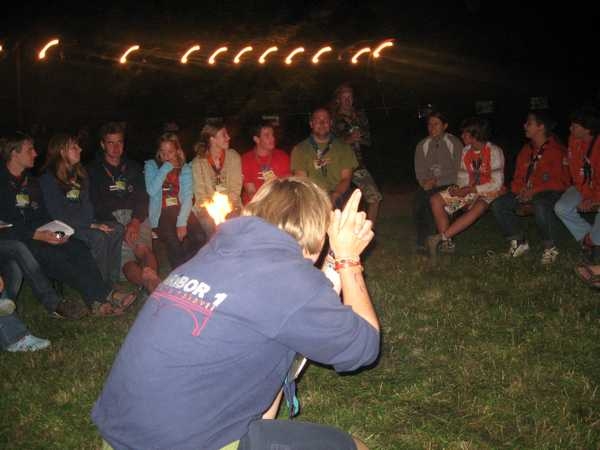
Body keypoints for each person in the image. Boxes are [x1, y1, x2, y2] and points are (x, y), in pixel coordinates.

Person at [92, 179, 379, 450]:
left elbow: (301, 309)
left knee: (274, 350)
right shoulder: (286, 279)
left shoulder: (215, 254)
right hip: (184, 444)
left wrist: (334, 259)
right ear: (317, 230)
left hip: (121, 436)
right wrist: (348, 259)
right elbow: (362, 347)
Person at [0, 132, 134, 316]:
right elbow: (7, 225)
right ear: (14, 153)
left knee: (78, 248)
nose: (35, 153)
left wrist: (56, 232)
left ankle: (101, 296)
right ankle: (101, 297)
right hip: (19, 238)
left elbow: (43, 215)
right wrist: (39, 235)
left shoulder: (30, 182)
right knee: (57, 258)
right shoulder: (5, 183)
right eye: (30, 150)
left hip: (42, 232)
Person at [40, 133, 125, 283]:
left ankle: (112, 279)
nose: (80, 149)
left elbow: (87, 205)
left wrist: (94, 222)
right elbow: (57, 215)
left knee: (116, 229)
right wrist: (91, 225)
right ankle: (100, 284)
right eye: (74, 147)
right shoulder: (49, 179)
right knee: (97, 236)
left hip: (84, 223)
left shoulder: (80, 174)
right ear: (62, 152)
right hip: (61, 228)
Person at [87, 122, 160, 293]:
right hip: (111, 219)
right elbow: (95, 203)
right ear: (102, 144)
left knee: (144, 250)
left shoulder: (134, 167)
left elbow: (142, 197)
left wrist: (135, 222)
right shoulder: (93, 171)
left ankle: (152, 286)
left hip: (136, 215)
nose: (115, 147)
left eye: (119, 142)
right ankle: (152, 286)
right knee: (127, 262)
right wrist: (120, 226)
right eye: (110, 143)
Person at [492, 110, 570, 264]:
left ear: (541, 127)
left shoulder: (557, 150)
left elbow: (561, 182)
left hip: (551, 192)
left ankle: (550, 247)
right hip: (528, 192)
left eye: (529, 123)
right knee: (499, 203)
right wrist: (518, 190)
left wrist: (534, 191)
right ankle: (519, 242)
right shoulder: (527, 150)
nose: (524, 126)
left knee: (540, 203)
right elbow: (519, 177)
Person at [428, 117, 505, 257]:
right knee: (436, 200)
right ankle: (447, 244)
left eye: (465, 133)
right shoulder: (466, 151)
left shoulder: (494, 151)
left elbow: (497, 183)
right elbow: (462, 178)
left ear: (475, 135)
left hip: (489, 192)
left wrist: (471, 191)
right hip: (469, 191)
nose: (462, 136)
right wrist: (458, 190)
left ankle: (441, 237)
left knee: (479, 206)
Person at [553, 106, 600, 287]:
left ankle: (592, 245)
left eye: (575, 126)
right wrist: (585, 194)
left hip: (597, 190)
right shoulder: (574, 140)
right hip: (582, 187)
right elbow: (575, 170)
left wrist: (594, 198)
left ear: (588, 129)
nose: (570, 128)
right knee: (561, 208)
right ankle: (589, 240)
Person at [145, 132, 206, 269]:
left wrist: (181, 223)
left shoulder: (185, 169)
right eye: (163, 152)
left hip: (180, 210)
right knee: (174, 242)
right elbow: (151, 190)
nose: (166, 156)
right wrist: (166, 167)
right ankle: (179, 272)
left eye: (170, 152)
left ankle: (189, 265)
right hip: (161, 212)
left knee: (200, 237)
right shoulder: (151, 165)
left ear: (177, 151)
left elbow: (187, 196)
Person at [332, 84, 383, 223]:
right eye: (344, 97)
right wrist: (348, 140)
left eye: (350, 97)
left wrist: (360, 138)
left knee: (375, 197)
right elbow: (330, 145)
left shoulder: (360, 116)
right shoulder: (332, 119)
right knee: (340, 199)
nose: (347, 100)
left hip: (358, 165)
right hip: (338, 167)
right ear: (338, 100)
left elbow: (368, 140)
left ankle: (369, 230)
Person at [413, 111, 462, 253]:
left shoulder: (453, 143)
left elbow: (460, 170)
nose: (432, 127)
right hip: (429, 185)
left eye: (436, 124)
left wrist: (437, 181)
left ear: (445, 126)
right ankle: (423, 241)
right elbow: (419, 170)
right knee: (420, 200)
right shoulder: (423, 145)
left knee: (434, 200)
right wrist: (424, 183)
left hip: (450, 184)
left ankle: (441, 239)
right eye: (429, 124)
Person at [291, 108, 358, 209]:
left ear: (331, 123)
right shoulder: (300, 149)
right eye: (318, 120)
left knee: (348, 202)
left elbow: (346, 178)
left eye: (325, 120)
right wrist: (318, 200)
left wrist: (335, 196)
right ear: (311, 124)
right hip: (313, 196)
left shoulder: (344, 147)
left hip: (338, 193)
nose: (322, 123)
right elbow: (302, 181)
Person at [191, 119, 243, 236]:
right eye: (224, 135)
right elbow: (201, 195)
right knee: (208, 223)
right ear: (212, 139)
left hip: (232, 205)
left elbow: (235, 189)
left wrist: (225, 210)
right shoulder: (198, 163)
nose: (228, 137)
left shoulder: (233, 157)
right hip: (208, 208)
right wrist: (216, 213)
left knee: (231, 221)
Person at [241, 120, 291, 204]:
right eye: (267, 135)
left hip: (278, 203)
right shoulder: (246, 159)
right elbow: (251, 192)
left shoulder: (282, 156)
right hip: (255, 205)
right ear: (256, 139)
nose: (272, 138)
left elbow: (286, 186)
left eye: (272, 135)